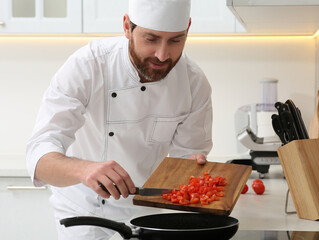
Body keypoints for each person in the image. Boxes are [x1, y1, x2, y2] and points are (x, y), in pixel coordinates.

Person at [26, 0, 212, 239]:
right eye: (151, 39)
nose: (162, 55)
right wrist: (84, 170)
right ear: (127, 27)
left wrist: (192, 166)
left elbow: (188, 161)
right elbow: (39, 157)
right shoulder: (88, 65)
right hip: (83, 210)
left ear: (188, 28)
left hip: (147, 213)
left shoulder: (194, 83)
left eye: (176, 40)